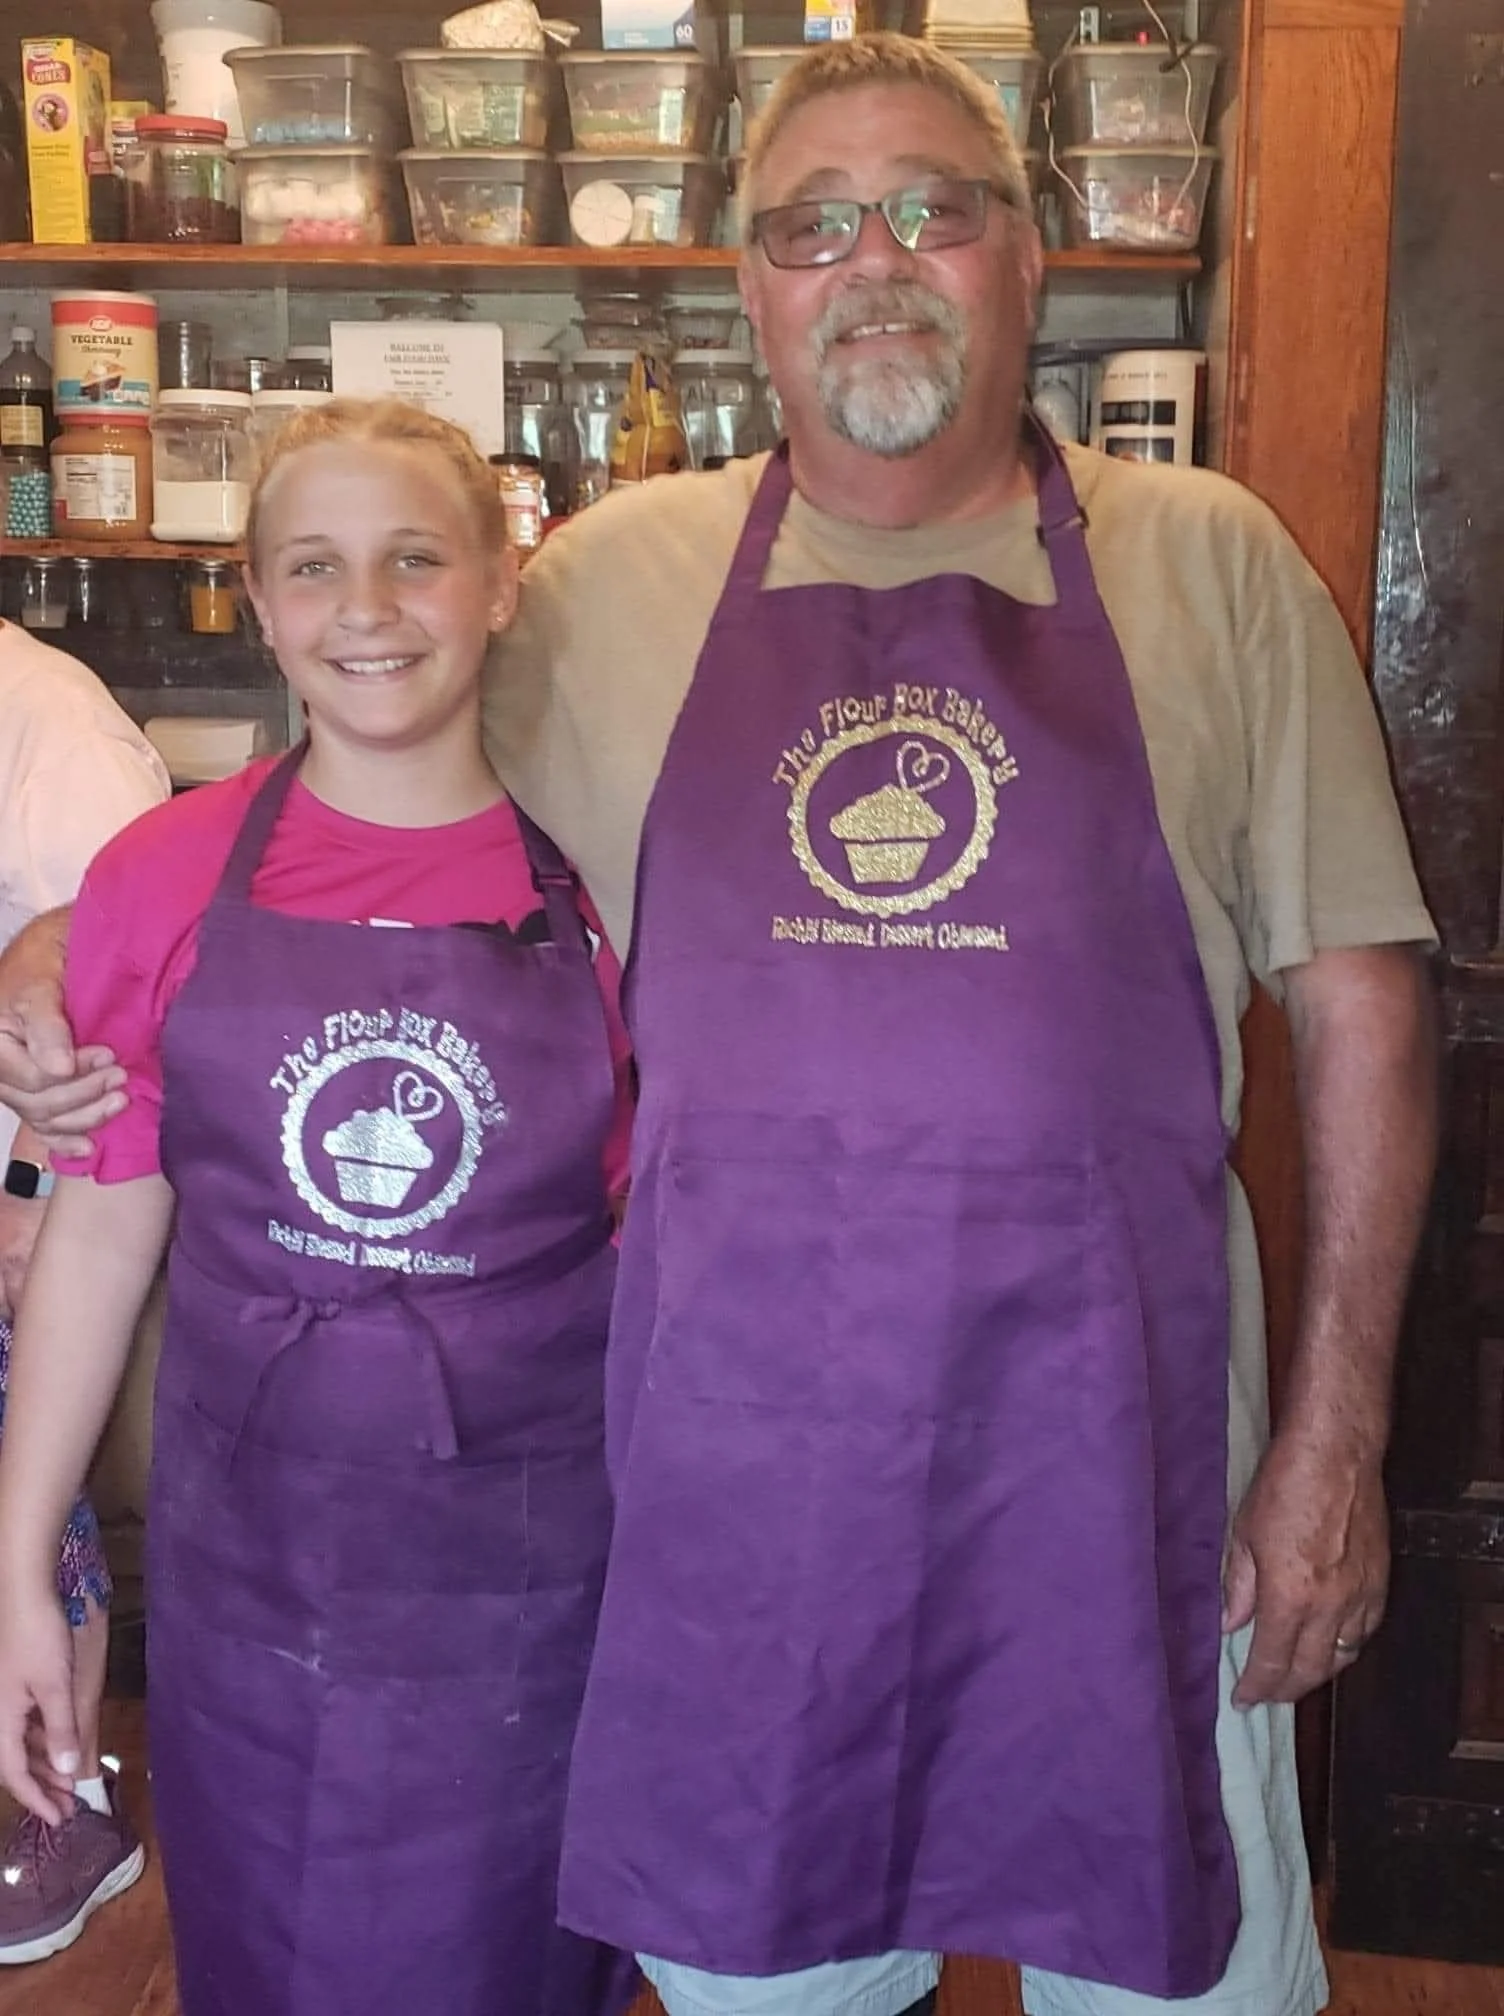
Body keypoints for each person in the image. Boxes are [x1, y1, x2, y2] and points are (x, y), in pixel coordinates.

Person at [0, 36, 1438, 2016]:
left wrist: (1331, 1441)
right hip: (741, 1507)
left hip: (1133, 1491)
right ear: (748, 286)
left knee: (1177, 1983)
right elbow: (351, 825)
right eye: (810, 226)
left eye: (933, 209)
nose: (874, 261)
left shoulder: (1209, 562)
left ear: (1027, 258)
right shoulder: (606, 582)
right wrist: (66, 946)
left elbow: (1360, 1003)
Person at [0, 399, 637, 2016]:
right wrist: (18, 1562)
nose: (367, 609)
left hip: (538, 1585)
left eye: (416, 559)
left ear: (505, 579)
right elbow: (102, 1228)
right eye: (316, 567)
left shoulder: (611, 886)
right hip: (250, 1586)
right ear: (263, 602)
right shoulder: (160, 877)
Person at [0, 616, 167, 1964]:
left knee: (34, 1506)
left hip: (21, 1199)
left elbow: (110, 988)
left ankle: (64, 1806)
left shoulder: (49, 714)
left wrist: (25, 1198)